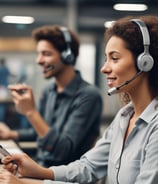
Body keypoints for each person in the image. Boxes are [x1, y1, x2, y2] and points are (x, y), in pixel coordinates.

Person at [0, 14, 158, 184]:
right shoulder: (123, 117)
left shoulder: (153, 128)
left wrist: (28, 183)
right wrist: (40, 172)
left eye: (114, 58)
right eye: (106, 59)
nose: (104, 68)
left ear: (145, 62)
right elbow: (88, 167)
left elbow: (63, 151)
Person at [0, 25, 103, 167]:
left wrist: (31, 112)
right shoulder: (49, 91)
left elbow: (63, 150)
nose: (39, 60)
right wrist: (10, 134)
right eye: (39, 54)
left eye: (46, 54)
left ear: (68, 56)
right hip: (42, 166)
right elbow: (39, 132)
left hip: (65, 176)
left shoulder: (89, 96)